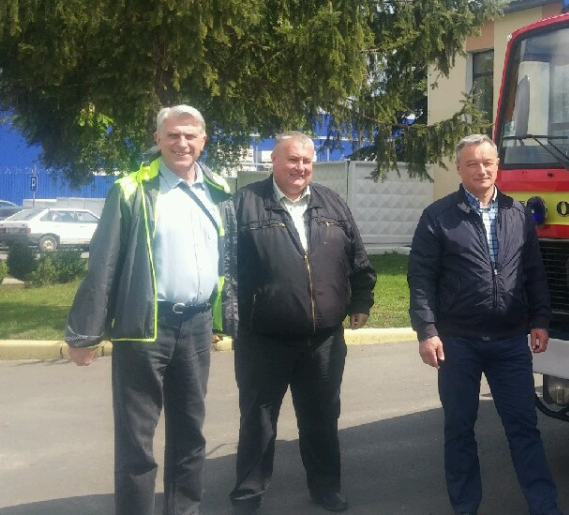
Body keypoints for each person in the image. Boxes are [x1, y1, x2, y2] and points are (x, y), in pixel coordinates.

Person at [65, 104, 231, 515]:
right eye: (172, 135)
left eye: (190, 135)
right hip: (144, 327)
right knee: (137, 441)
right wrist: (85, 333)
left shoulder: (218, 191)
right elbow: (104, 263)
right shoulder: (131, 190)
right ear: (157, 140)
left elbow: (227, 259)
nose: (181, 143)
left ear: (203, 141)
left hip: (197, 326)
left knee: (190, 433)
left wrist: (224, 316)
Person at [408, 134, 562, 515]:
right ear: (459, 168)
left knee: (524, 428)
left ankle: (545, 506)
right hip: (458, 342)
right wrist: (427, 331)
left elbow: (534, 273)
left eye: (487, 162)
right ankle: (465, 507)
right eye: (472, 163)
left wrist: (540, 319)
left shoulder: (517, 213)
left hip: (509, 341)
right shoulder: (438, 217)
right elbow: (421, 278)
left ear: (497, 166)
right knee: (459, 429)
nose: (481, 170)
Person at [223, 131, 377, 514]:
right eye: (292, 159)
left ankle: (326, 488)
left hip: (323, 340)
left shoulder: (332, 203)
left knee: (321, 418)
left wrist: (361, 300)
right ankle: (248, 495)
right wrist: (229, 316)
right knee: (258, 422)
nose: (300, 167)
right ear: (273, 161)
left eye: (307, 161)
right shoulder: (244, 204)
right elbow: (225, 269)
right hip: (263, 338)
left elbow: (357, 257)